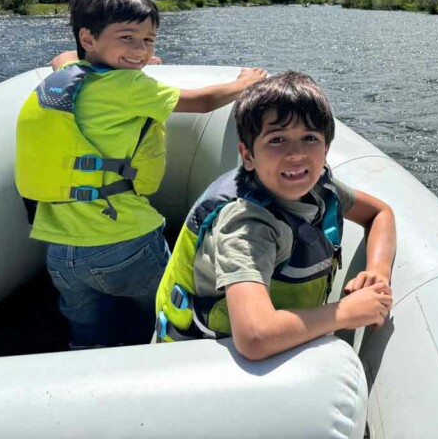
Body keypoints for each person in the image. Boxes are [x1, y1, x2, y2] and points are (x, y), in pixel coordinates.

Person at [15, 0, 268, 348]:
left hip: (60, 252)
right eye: (127, 38)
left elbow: (62, 58)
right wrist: (244, 82)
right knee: (171, 311)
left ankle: (86, 361)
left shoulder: (66, 79)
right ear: (88, 38)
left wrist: (128, 58)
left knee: (86, 332)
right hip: (126, 245)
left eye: (148, 42)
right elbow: (203, 101)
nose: (140, 50)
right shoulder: (132, 88)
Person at [154, 71, 395, 361]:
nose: (296, 154)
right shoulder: (245, 224)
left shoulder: (320, 187)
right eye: (277, 139)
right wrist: (345, 313)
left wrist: (377, 272)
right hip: (206, 361)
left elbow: (380, 213)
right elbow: (254, 337)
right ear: (247, 155)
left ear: (326, 148)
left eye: (309, 138)